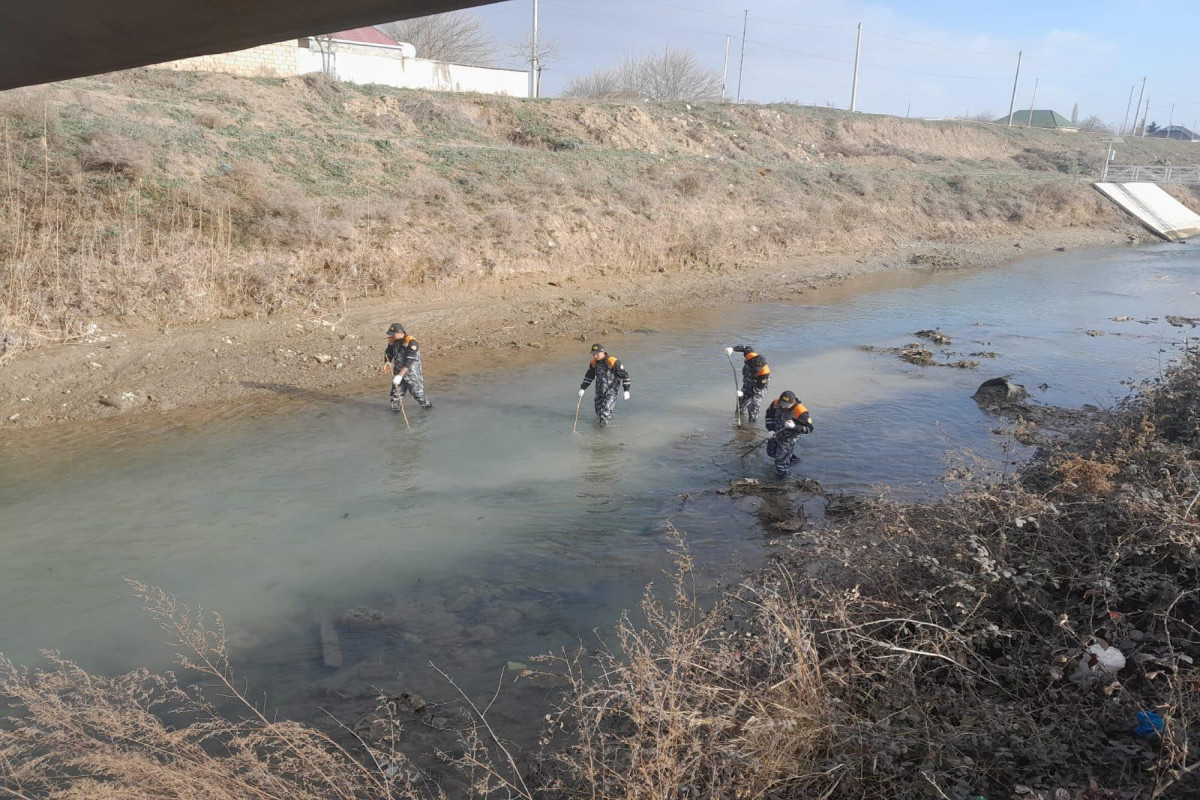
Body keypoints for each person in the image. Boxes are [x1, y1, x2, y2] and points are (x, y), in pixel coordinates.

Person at [380, 322, 432, 412]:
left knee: (418, 394)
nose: (391, 336)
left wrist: (400, 376)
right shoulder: (393, 340)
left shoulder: (412, 343)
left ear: (400, 333)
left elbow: (409, 362)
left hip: (412, 374)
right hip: (398, 372)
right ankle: (396, 416)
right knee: (395, 396)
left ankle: (428, 409)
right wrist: (387, 362)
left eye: (393, 334)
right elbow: (389, 352)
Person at [763, 390, 813, 477]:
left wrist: (794, 427)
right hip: (776, 432)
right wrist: (771, 430)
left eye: (785, 404)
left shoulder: (801, 411)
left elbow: (809, 429)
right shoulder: (776, 403)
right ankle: (792, 459)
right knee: (771, 452)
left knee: (780, 463)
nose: (782, 406)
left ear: (793, 402)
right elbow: (769, 417)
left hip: (790, 437)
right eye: (782, 403)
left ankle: (782, 480)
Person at [579, 343, 631, 427]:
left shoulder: (612, 361)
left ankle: (602, 434)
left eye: (597, 354)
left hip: (612, 390)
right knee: (598, 411)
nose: (595, 356)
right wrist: (583, 388)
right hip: (599, 391)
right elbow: (589, 376)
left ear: (603, 352)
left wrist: (626, 390)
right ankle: (606, 424)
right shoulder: (593, 363)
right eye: (593, 354)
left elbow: (625, 376)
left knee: (605, 411)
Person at [726, 345, 771, 422]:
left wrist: (745, 394)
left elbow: (757, 389)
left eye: (758, 368)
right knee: (741, 402)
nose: (756, 369)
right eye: (755, 366)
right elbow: (745, 347)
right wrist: (732, 349)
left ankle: (752, 424)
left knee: (754, 406)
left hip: (758, 386)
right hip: (748, 380)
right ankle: (739, 419)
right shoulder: (750, 355)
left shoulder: (765, 373)